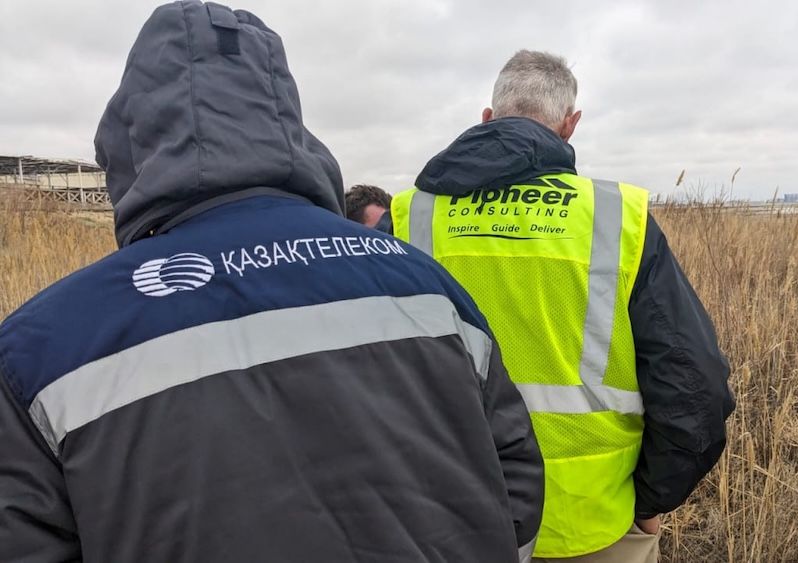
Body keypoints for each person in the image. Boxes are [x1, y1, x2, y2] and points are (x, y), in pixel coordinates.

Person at [0, 4, 543, 562]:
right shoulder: (428, 286)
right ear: (289, 123)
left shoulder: (41, 349)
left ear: (127, 140)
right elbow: (516, 482)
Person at [390, 50, 734, 562]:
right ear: (570, 125)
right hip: (592, 524)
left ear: (487, 118)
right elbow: (695, 386)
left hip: (448, 520)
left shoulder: (408, 216)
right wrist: (650, 499)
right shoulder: (619, 218)